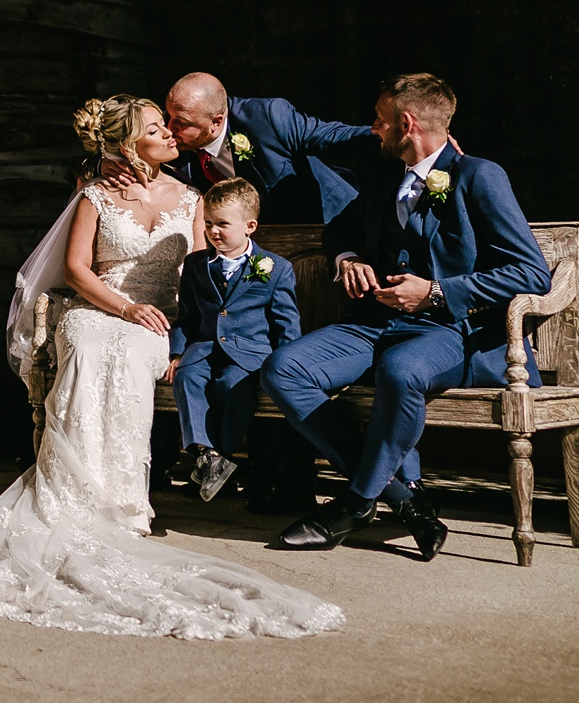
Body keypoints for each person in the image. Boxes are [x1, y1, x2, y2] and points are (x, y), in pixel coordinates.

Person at [0, 95, 344, 639]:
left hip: (161, 317)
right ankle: (76, 493)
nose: (170, 135)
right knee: (93, 342)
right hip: (100, 304)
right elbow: (74, 269)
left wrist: (181, 332)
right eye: (157, 128)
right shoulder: (98, 190)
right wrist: (122, 306)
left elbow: (198, 274)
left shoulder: (191, 196)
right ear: (126, 145)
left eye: (170, 126)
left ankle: (125, 502)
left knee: (137, 349)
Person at [263, 73, 550, 561]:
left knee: (401, 370)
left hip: (457, 332)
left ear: (407, 122)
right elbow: (339, 232)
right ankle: (402, 497)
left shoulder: (479, 176)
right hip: (376, 323)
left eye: (379, 120)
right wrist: (348, 259)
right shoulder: (381, 176)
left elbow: (532, 273)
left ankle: (353, 504)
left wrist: (437, 291)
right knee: (284, 369)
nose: (372, 129)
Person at [167, 178, 302, 503]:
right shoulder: (196, 265)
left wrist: (286, 365)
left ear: (249, 226)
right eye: (209, 224)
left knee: (231, 386)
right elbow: (186, 316)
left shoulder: (273, 267)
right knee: (186, 378)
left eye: (223, 225)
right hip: (204, 349)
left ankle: (219, 453)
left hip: (250, 356)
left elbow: (286, 323)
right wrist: (176, 352)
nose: (214, 232)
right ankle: (208, 454)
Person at [161, 72, 376, 226]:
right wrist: (126, 166)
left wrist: (388, 134)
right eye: (168, 116)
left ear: (216, 122)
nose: (169, 128)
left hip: (326, 219)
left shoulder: (267, 117)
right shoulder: (170, 138)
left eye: (181, 122)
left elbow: (330, 136)